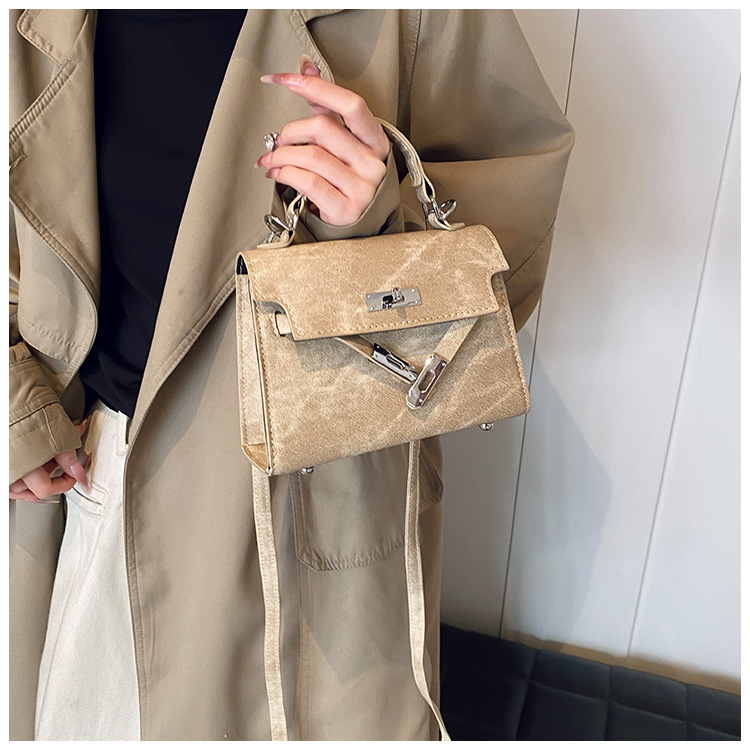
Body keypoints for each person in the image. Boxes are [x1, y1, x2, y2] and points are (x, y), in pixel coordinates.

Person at [9, 9, 574, 741]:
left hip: (302, 505)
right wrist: (15, 400)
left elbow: (505, 253)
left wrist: (375, 227)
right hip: (76, 477)